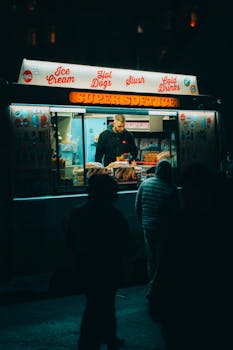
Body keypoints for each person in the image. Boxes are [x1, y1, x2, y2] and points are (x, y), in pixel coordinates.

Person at [148, 162, 232, 350]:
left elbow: (169, 264)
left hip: (188, 308)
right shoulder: (219, 221)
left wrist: (159, 297)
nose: (185, 193)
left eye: (188, 188)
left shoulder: (182, 222)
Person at [66, 173, 133, 350]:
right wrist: (126, 264)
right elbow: (125, 242)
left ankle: (105, 337)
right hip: (107, 266)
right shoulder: (112, 214)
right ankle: (91, 341)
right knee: (101, 304)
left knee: (98, 303)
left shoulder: (78, 212)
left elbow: (70, 240)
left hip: (86, 265)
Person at [135, 158, 179, 298]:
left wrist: (142, 221)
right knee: (162, 259)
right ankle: (155, 288)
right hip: (163, 228)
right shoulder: (171, 188)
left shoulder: (145, 184)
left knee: (151, 258)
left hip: (147, 226)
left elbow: (137, 206)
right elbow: (175, 211)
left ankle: (153, 286)